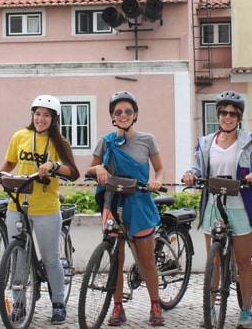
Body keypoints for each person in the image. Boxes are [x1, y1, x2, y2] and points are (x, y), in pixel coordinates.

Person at [0, 94, 81, 325]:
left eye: (46, 115)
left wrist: (54, 166)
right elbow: (10, 162)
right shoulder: (20, 136)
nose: (41, 119)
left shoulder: (59, 142)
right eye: (38, 114)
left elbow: (73, 172)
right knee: (18, 256)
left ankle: (58, 303)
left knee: (51, 259)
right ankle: (19, 304)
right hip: (17, 204)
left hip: (46, 207)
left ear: (54, 119)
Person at [181, 90, 252, 329]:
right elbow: (197, 168)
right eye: (223, 113)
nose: (228, 117)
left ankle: (246, 311)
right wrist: (190, 175)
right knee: (214, 260)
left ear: (239, 117)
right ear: (218, 115)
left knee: (243, 261)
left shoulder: (249, 141)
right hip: (213, 205)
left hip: (240, 205)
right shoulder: (206, 142)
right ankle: (210, 306)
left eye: (233, 114)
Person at [87, 91, 168, 327]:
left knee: (146, 260)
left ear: (135, 115)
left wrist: (158, 181)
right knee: (116, 259)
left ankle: (155, 304)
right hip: (113, 203)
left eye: (128, 111)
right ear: (112, 116)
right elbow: (90, 168)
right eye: (118, 112)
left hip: (139, 202)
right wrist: (99, 167)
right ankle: (117, 307)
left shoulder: (147, 139)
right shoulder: (105, 141)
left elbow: (160, 169)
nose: (123, 115)